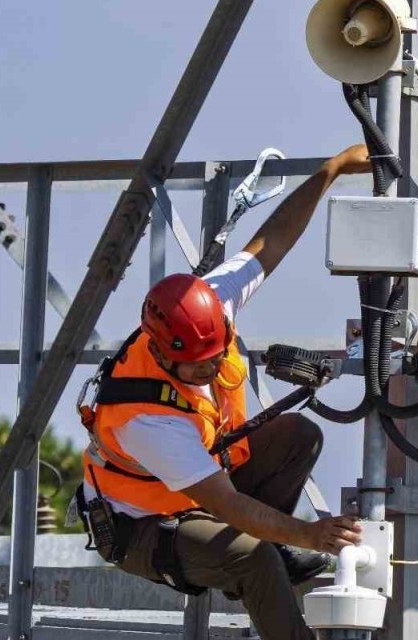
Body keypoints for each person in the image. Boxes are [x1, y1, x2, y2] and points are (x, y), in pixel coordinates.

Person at [75, 144, 372, 640]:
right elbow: (228, 505)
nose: (211, 369)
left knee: (298, 435)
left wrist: (330, 171)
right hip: (142, 525)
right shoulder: (148, 420)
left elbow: (269, 245)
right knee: (253, 557)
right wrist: (310, 535)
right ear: (164, 354)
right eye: (196, 367)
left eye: (217, 356)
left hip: (200, 481)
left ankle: (270, 553)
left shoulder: (207, 307)